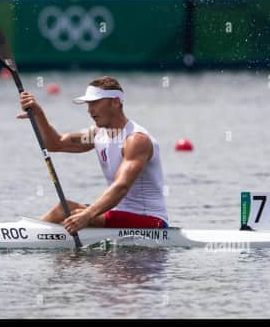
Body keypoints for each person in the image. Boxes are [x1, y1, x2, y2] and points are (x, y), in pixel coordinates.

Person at [17, 76, 168, 234]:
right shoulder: (97, 134)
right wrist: (38, 114)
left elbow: (121, 186)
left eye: (95, 103)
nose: (90, 110)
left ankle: (26, 235)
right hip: (119, 214)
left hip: (150, 221)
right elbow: (55, 143)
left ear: (115, 102)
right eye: (88, 104)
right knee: (65, 210)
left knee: (67, 209)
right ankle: (29, 234)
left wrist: (87, 215)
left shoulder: (136, 140)